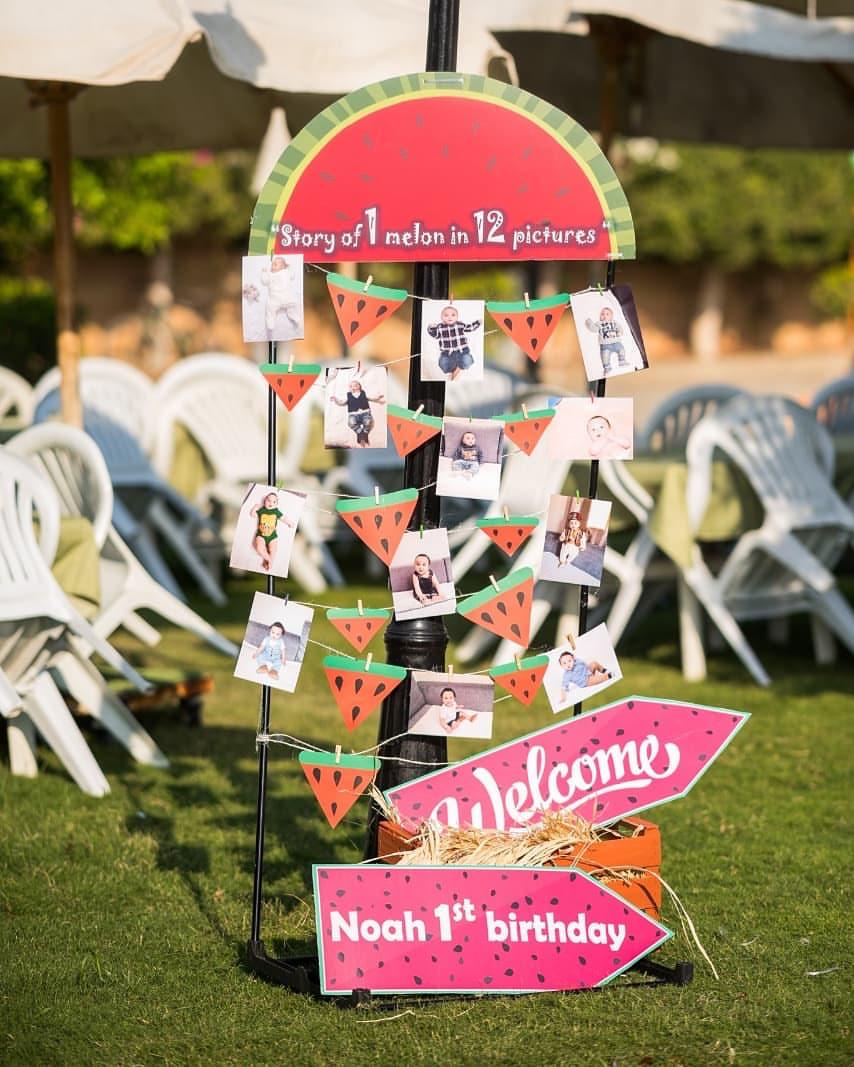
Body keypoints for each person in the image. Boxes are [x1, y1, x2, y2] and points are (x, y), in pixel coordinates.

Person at [427, 305, 481, 380]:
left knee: (467, 361)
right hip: (447, 353)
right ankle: (453, 369)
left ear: (457, 317)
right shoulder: (440, 327)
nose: (450, 317)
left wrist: (478, 323)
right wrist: (431, 328)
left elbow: (470, 328)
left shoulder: (460, 325)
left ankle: (458, 368)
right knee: (443, 365)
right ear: (441, 318)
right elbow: (435, 335)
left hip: (462, 351)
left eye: (453, 315)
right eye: (446, 315)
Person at [328, 378, 385, 446]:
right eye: (351, 386)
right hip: (353, 414)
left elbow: (371, 398)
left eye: (356, 385)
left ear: (359, 386)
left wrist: (378, 398)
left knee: (368, 422)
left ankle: (365, 432)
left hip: (365, 413)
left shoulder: (363, 393)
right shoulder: (348, 395)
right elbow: (342, 402)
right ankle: (360, 433)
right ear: (349, 388)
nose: (353, 387)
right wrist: (336, 400)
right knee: (351, 423)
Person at [250, 490, 295, 572]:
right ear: (264, 501)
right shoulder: (262, 510)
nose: (271, 503)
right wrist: (255, 508)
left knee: (273, 550)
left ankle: (267, 561)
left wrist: (289, 523)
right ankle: (270, 561)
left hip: (272, 536)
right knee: (259, 548)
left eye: (274, 502)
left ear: (277, 504)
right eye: (269, 500)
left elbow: (283, 518)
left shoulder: (276, 511)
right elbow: (253, 515)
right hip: (261, 535)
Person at [260, 256, 300, 337]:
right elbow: (264, 281)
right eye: (272, 264)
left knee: (292, 305)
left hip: (284, 298)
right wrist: (264, 272)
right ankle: (271, 324)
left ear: (283, 267)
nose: (272, 265)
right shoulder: (270, 274)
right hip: (278, 299)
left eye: (276, 264)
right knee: (270, 309)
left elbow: (292, 275)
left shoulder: (285, 272)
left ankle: (293, 315)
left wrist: (289, 268)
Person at [584, 305, 627, 376]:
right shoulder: (599, 323)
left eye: (607, 314)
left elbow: (620, 328)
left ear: (611, 316)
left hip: (616, 342)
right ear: (600, 316)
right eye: (602, 314)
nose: (604, 316)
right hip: (605, 345)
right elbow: (594, 329)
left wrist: (620, 332)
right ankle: (607, 367)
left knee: (622, 350)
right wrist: (589, 322)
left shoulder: (615, 322)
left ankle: (622, 360)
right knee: (604, 356)